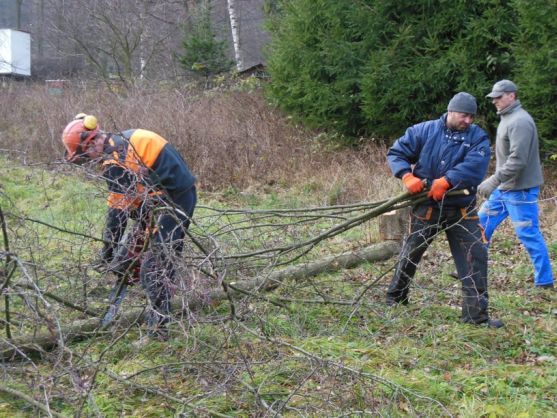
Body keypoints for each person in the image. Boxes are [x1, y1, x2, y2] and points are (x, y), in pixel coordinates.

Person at [61, 115, 197, 339]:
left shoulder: (115, 160)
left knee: (154, 267)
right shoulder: (121, 142)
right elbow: (132, 198)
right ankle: (162, 294)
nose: (88, 161)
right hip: (159, 199)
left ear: (93, 142)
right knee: (128, 259)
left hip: (174, 200)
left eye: (85, 156)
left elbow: (117, 215)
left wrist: (107, 253)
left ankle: (159, 331)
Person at [386, 92, 503, 328]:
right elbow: (396, 152)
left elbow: (475, 167)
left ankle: (475, 316)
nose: (468, 120)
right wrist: (406, 175)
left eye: (471, 116)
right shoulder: (424, 131)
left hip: (461, 209)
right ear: (451, 111)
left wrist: (447, 180)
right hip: (427, 207)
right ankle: (395, 298)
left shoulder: (477, 138)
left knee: (475, 255)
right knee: (411, 252)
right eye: (464, 115)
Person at [478, 80, 554, 288]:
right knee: (480, 225)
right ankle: (472, 270)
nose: (494, 101)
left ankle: (545, 281)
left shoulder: (520, 121)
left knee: (528, 234)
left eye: (499, 97)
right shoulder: (507, 118)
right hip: (504, 190)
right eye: (493, 97)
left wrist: (493, 179)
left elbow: (518, 160)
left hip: (520, 192)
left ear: (512, 95)